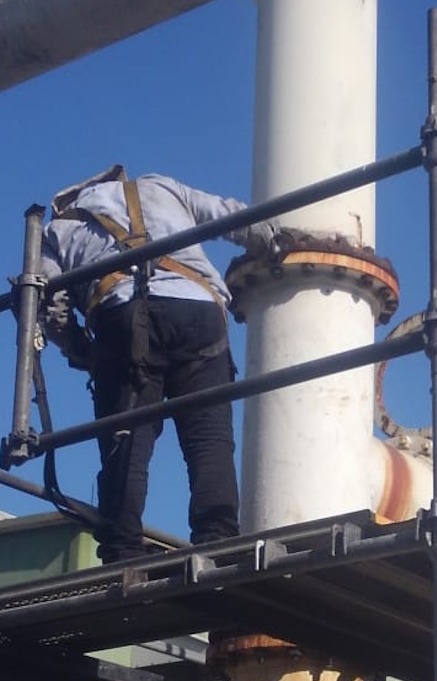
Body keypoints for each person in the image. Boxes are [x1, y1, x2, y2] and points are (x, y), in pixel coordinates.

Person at [38, 167, 276, 563]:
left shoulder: (56, 230)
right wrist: (271, 239)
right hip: (198, 310)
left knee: (128, 439)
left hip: (121, 317)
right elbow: (230, 217)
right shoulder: (159, 186)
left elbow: (51, 306)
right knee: (209, 437)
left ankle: (122, 550)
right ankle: (217, 539)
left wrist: (81, 350)